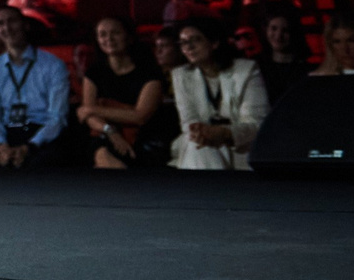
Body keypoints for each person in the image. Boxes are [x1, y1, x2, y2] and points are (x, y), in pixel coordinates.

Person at [0, 5, 76, 169]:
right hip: (8, 134)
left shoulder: (53, 65)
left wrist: (30, 147)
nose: (7, 28)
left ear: (25, 25)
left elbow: (57, 117)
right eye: (0, 24)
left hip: (42, 135)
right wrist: (1, 146)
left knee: (40, 164)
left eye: (12, 21)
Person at [170, 23, 269, 170]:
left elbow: (257, 123)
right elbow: (188, 121)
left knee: (200, 147)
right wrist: (205, 134)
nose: (188, 47)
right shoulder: (181, 75)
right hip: (200, 145)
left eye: (195, 40)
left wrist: (225, 133)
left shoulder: (246, 70)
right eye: (183, 42)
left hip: (240, 145)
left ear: (214, 43)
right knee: (199, 145)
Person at [78, 16, 170, 169]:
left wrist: (92, 109)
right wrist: (110, 131)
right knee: (102, 152)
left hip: (142, 136)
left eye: (115, 33)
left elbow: (140, 116)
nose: (109, 39)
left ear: (129, 37)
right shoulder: (94, 72)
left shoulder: (149, 74)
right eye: (103, 34)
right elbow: (89, 117)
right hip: (104, 133)